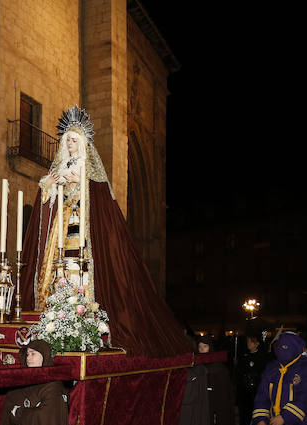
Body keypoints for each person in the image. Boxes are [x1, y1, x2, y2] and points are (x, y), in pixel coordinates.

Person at [20, 106, 190, 358]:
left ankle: (82, 310)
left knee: (79, 268)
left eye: (74, 140)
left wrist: (77, 181)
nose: (70, 144)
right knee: (58, 267)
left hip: (81, 226)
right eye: (67, 140)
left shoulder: (89, 171)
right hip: (61, 228)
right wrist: (50, 184)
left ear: (83, 143)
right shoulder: (62, 165)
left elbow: (97, 195)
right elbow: (47, 189)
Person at [235, 333, 269, 425]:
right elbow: (239, 373)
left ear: (257, 344)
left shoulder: (263, 357)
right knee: (245, 415)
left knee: (257, 415)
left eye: (251, 342)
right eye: (248, 341)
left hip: (257, 390)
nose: (248, 344)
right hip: (245, 391)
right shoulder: (243, 356)